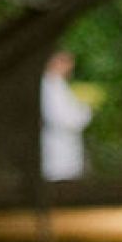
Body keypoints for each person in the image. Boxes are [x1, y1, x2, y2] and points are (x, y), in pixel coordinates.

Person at [39, 50, 92, 183]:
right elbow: (63, 119)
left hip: (66, 149)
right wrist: (85, 113)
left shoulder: (58, 85)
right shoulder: (48, 86)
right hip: (56, 150)